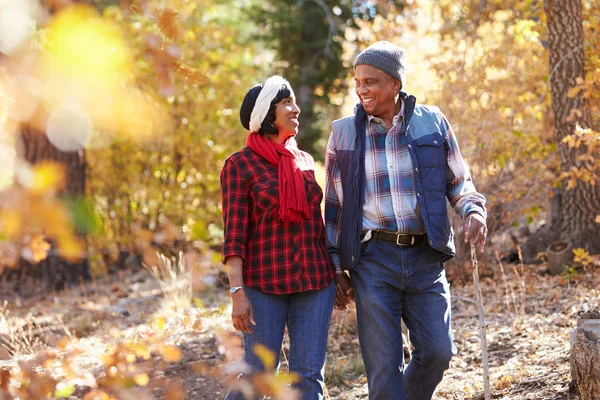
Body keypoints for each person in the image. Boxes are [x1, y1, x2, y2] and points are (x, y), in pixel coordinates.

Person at [325, 41, 488, 400]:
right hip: (373, 261)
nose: (361, 89)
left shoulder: (432, 121)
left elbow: (459, 181)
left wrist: (473, 210)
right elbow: (334, 207)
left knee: (437, 353)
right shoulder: (343, 133)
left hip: (424, 255)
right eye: (358, 81)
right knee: (384, 370)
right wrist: (336, 266)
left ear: (395, 83)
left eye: (370, 81)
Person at [220, 75, 336, 400]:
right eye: (287, 102)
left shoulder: (303, 161)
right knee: (258, 377)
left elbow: (318, 224)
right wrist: (237, 292)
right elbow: (234, 236)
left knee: (308, 379)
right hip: (263, 287)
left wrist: (337, 272)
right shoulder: (239, 165)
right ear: (266, 115)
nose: (296, 109)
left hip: (314, 283)